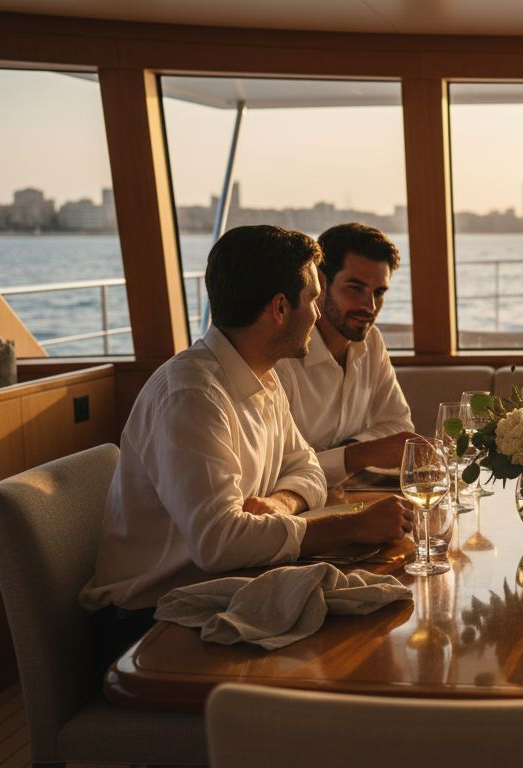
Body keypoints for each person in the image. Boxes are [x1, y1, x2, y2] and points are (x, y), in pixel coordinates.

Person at [80, 225, 415, 663]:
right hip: (149, 619)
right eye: (313, 299)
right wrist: (350, 526)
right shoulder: (192, 395)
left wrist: (280, 504)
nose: (317, 315)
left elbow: (309, 469)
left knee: (373, 627)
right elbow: (221, 543)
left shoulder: (263, 375)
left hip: (227, 586)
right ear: (280, 308)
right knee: (351, 663)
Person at [276, 223, 420, 487]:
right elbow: (278, 469)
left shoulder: (372, 341)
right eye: (355, 288)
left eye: (379, 292)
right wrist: (360, 455)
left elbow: (399, 425)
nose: (370, 306)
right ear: (319, 282)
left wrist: (351, 451)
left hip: (353, 496)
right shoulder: (281, 357)